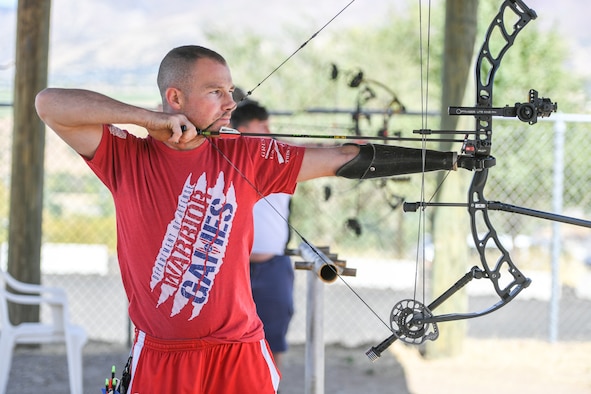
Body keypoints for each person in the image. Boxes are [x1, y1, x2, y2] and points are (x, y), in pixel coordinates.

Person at [35, 45, 458, 393]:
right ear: (175, 98)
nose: (230, 103)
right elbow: (48, 104)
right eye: (215, 91)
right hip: (163, 353)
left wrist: (447, 160)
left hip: (238, 350)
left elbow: (342, 159)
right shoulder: (126, 156)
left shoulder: (244, 154)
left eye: (231, 91)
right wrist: (150, 121)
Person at [231, 99, 294, 371]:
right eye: (262, 126)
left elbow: (318, 151)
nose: (270, 131)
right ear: (242, 130)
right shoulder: (225, 158)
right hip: (233, 268)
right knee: (230, 342)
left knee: (272, 340)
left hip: (273, 267)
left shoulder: (281, 158)